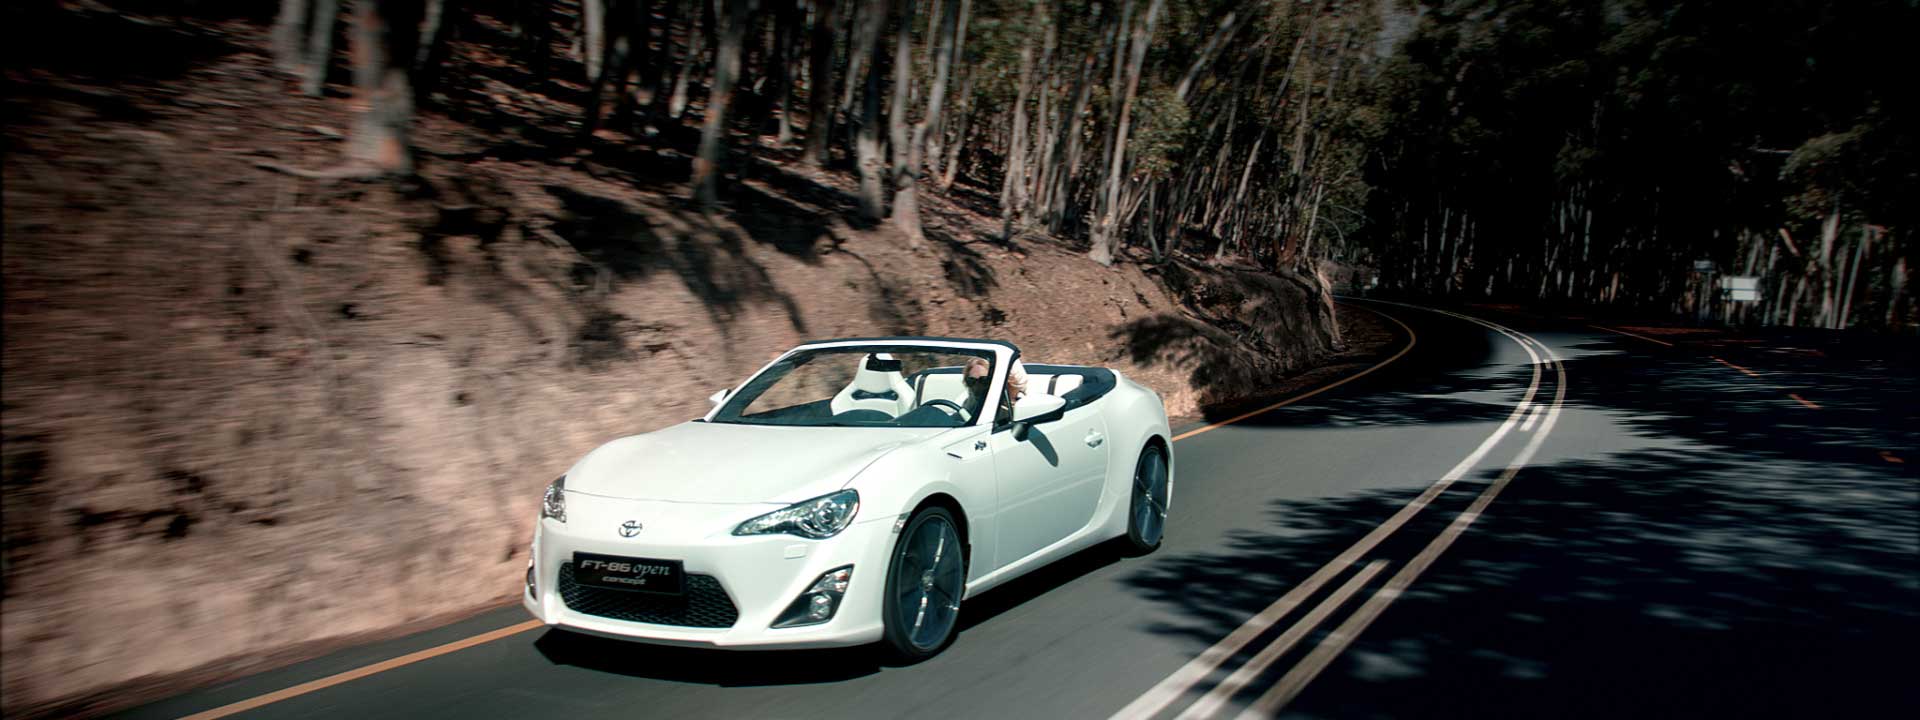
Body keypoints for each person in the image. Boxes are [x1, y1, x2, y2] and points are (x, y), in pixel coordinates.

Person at [963, 356, 1028, 421]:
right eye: (971, 380)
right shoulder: (970, 404)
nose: (976, 386)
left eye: (983, 380)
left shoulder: (1016, 408)